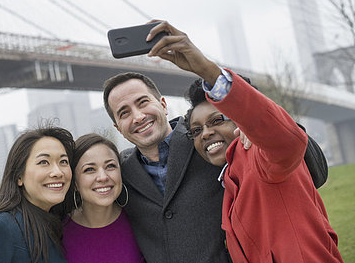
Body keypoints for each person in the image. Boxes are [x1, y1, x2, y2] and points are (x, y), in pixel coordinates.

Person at [102, 22, 329, 263]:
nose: (138, 116)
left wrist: (253, 128)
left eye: (143, 102)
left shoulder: (217, 142)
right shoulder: (119, 173)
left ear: (164, 105)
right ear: (118, 128)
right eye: (124, 113)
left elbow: (311, 167)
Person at [182, 77, 343, 259]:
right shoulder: (229, 181)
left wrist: (253, 124)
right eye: (196, 131)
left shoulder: (263, 153)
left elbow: (285, 139)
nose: (205, 133)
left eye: (217, 120)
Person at [0, 125, 74, 263]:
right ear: (19, 177)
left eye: (63, 161)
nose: (58, 172)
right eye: (43, 162)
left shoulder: (58, 224)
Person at [62, 133, 145, 263]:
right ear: (75, 183)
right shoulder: (58, 232)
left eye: (110, 166)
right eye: (89, 169)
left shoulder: (142, 221)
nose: (103, 177)